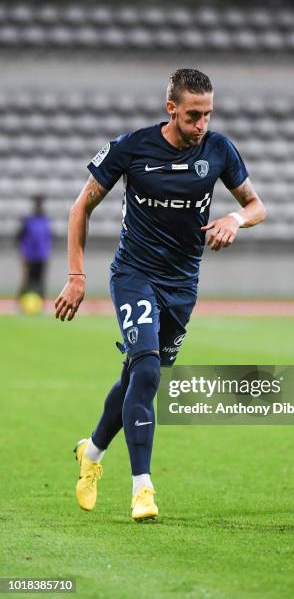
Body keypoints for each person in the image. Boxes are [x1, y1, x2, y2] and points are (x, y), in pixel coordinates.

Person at [54, 68, 266, 521]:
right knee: (147, 370)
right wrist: (76, 275)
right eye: (193, 115)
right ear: (172, 108)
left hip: (182, 284)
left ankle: (90, 452)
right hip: (134, 274)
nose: (201, 125)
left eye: (207, 115)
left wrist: (234, 220)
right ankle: (142, 489)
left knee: (136, 375)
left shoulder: (219, 150)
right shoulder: (131, 148)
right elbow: (81, 206)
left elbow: (256, 205)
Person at [17, 195, 52, 302]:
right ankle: (20, 301)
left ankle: (41, 302)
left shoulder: (46, 221)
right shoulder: (28, 221)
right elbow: (19, 237)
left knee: (41, 281)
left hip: (42, 256)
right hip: (29, 256)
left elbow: (49, 238)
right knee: (27, 280)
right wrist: (23, 252)